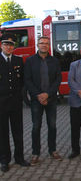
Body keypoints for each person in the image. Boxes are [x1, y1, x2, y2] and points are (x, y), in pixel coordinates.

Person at [24, 36, 62, 165]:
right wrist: (39, 95)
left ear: (48, 45)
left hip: (51, 99)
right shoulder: (30, 61)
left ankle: (53, 151)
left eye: (46, 43)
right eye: (42, 43)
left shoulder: (55, 61)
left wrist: (48, 94)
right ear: (37, 45)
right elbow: (27, 80)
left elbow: (58, 79)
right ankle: (35, 153)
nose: (44, 45)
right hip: (36, 99)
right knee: (36, 127)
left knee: (52, 126)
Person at [0, 33, 30, 172]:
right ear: (1, 45)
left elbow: (23, 81)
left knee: (18, 131)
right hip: (1, 103)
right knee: (3, 133)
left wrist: (22, 97)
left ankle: (19, 158)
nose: (9, 47)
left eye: (11, 45)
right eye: (6, 44)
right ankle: (5, 160)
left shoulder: (18, 60)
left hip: (16, 103)